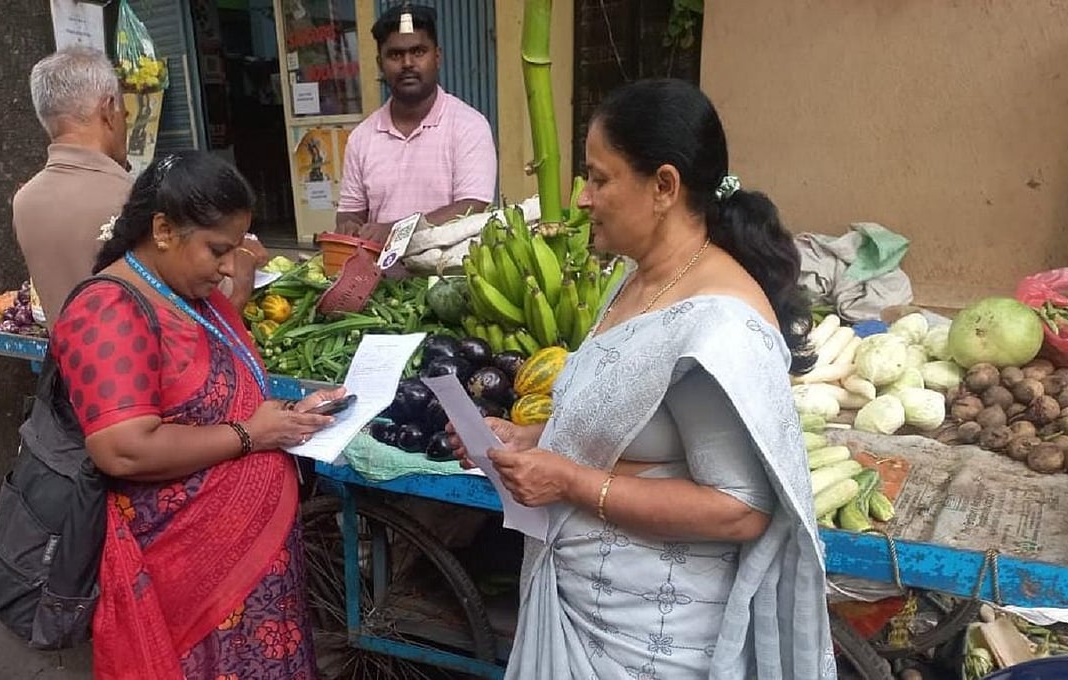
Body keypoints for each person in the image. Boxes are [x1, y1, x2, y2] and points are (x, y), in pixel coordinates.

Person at [450, 79, 836, 679]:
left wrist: (571, 481)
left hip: (649, 645)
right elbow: (633, 429)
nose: (582, 198)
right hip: (583, 611)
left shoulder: (717, 328)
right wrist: (530, 440)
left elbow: (740, 509)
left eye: (599, 179)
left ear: (663, 186)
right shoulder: (634, 281)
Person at [50, 151, 342, 679]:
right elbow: (123, 447)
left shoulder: (186, 295)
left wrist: (291, 418)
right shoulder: (108, 309)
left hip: (252, 577)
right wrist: (252, 435)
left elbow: (217, 402)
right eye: (218, 250)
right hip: (189, 583)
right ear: (162, 229)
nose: (231, 267)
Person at [336, 4, 497, 244]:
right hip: (379, 277)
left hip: (449, 275)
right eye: (395, 55)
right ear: (380, 63)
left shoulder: (468, 126)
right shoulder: (362, 138)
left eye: (419, 51)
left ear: (437, 57)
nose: (407, 63)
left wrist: (399, 230)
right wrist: (348, 224)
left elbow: (472, 206)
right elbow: (350, 210)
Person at [13, 48, 132, 329]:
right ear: (108, 110)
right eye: (125, 114)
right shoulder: (131, 195)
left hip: (71, 367)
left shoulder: (24, 201)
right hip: (141, 370)